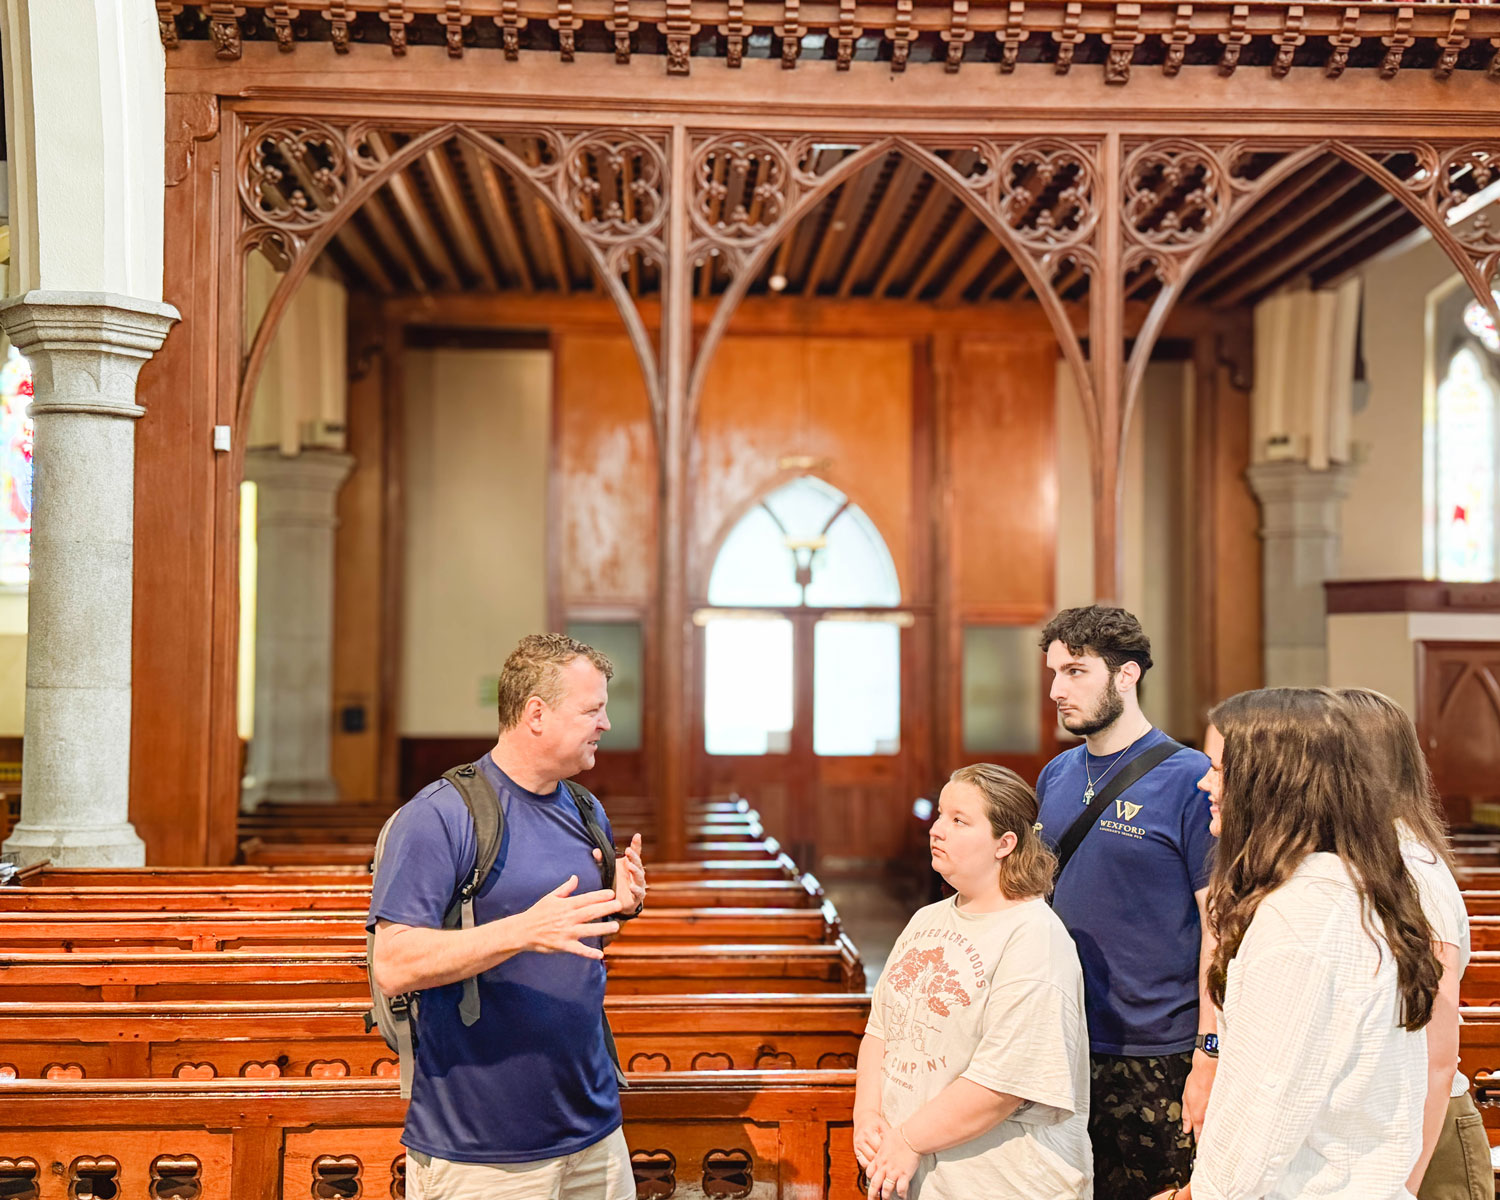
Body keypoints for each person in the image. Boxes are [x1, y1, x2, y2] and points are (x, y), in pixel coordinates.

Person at [368, 633, 648, 1200]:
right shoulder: (438, 817)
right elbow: (393, 965)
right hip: (481, 1152)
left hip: (594, 1132)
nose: (606, 724)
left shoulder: (586, 808)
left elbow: (571, 942)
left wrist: (622, 904)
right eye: (592, 710)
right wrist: (523, 929)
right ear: (536, 714)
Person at [1155, 687, 1440, 1200]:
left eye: (1218, 768)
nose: (1204, 782)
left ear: (1273, 783)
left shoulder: (1300, 919)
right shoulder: (1346, 884)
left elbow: (1269, 1101)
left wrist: (1193, 1196)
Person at [1034, 606, 1215, 1199]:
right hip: (1061, 1039)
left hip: (1153, 1049)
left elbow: (1219, 929)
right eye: (1054, 672)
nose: (1057, 689)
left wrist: (1208, 1051)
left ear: (1127, 674)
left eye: (1075, 672)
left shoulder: (1191, 780)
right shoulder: (1056, 775)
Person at [856, 763, 1092, 1200]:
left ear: (1005, 843)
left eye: (959, 821)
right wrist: (868, 1115)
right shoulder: (926, 918)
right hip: (915, 1174)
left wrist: (908, 1139)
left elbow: (1003, 1084)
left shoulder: (1035, 937)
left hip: (1000, 1181)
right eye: (941, 815)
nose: (937, 830)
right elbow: (881, 1030)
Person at [1338, 688, 1489, 1200]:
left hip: (1428, 1135)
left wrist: (1405, 1183)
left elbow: (1438, 1052)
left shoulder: (1414, 871)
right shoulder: (1359, 860)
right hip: (1381, 1124)